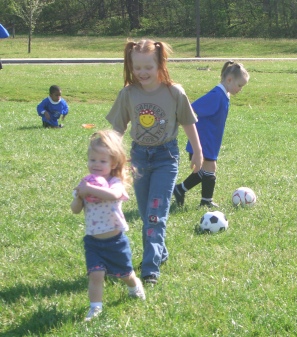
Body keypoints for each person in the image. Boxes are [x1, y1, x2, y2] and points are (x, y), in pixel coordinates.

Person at [106, 39, 203, 285]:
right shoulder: (128, 93)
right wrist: (111, 157)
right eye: (137, 67)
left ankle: (150, 269)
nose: (142, 72)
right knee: (145, 212)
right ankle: (160, 252)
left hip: (165, 158)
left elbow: (188, 123)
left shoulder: (174, 92)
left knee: (155, 216)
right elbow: (118, 127)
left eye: (148, 67)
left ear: (160, 63)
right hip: (138, 158)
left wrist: (197, 152)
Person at [71, 130, 146, 322]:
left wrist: (90, 189)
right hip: (93, 241)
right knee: (95, 275)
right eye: (92, 160)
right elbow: (75, 209)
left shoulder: (115, 182)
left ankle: (133, 285)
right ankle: (95, 308)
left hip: (115, 241)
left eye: (102, 161)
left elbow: (113, 195)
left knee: (124, 273)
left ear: (113, 164)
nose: (96, 164)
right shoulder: (86, 182)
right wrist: (80, 196)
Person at [173, 61, 249, 208]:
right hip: (204, 140)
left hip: (212, 141)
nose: (240, 89)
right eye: (240, 85)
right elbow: (192, 108)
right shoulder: (216, 95)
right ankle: (205, 201)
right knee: (210, 169)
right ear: (229, 80)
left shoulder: (224, 95)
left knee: (205, 171)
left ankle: (180, 189)